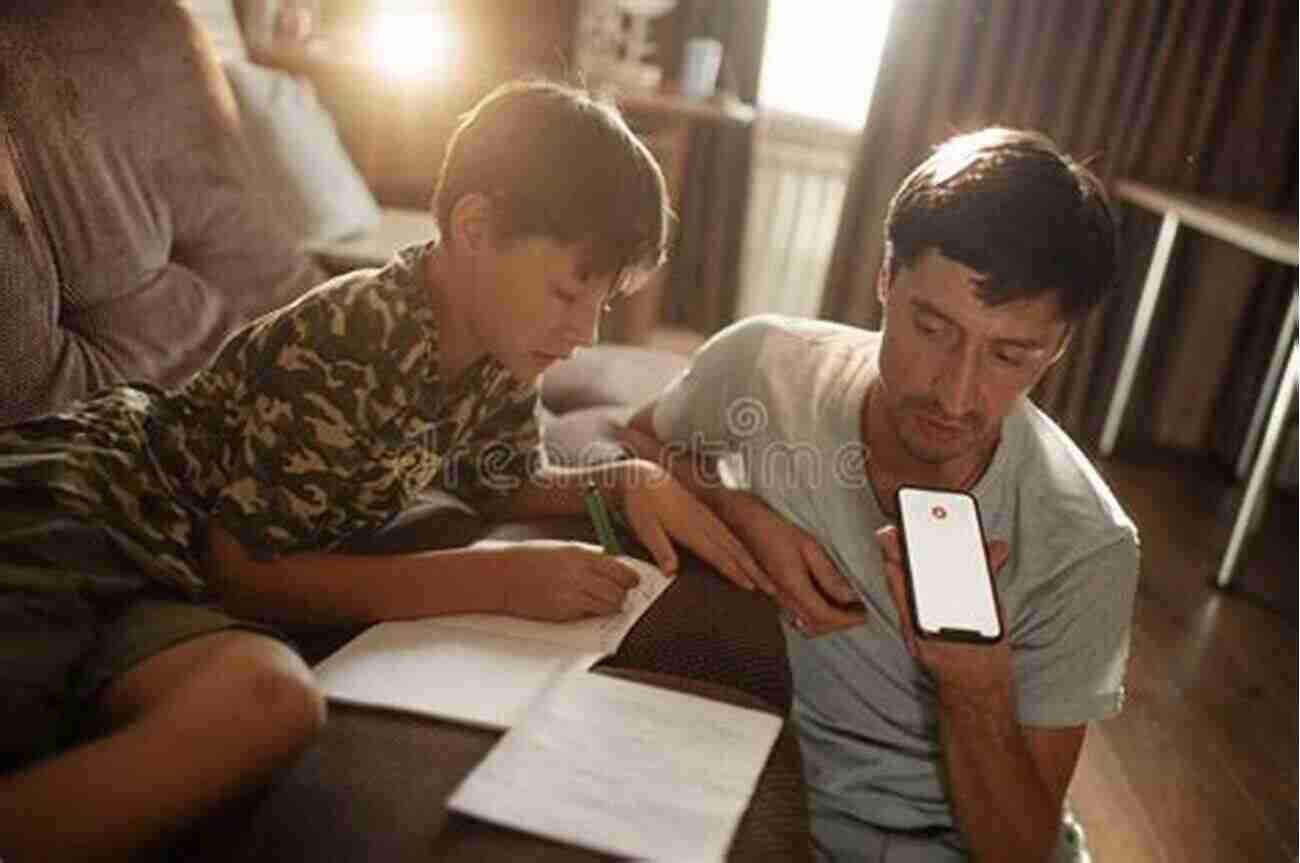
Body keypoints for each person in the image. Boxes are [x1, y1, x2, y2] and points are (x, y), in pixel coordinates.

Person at [0, 79, 764, 861]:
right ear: (475, 227)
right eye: (570, 290)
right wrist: (495, 581)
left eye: (601, 302)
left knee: (275, 703)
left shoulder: (503, 351)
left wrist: (619, 480)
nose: (582, 332)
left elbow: (501, 478)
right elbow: (245, 570)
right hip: (92, 504)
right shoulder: (356, 337)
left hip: (174, 576)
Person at [620, 128, 1139, 861]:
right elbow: (636, 444)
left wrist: (977, 691)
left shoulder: (1088, 544)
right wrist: (741, 511)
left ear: (1056, 348)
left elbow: (1021, 849)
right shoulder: (766, 362)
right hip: (765, 799)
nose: (956, 394)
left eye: (1009, 355)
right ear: (886, 277)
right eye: (933, 327)